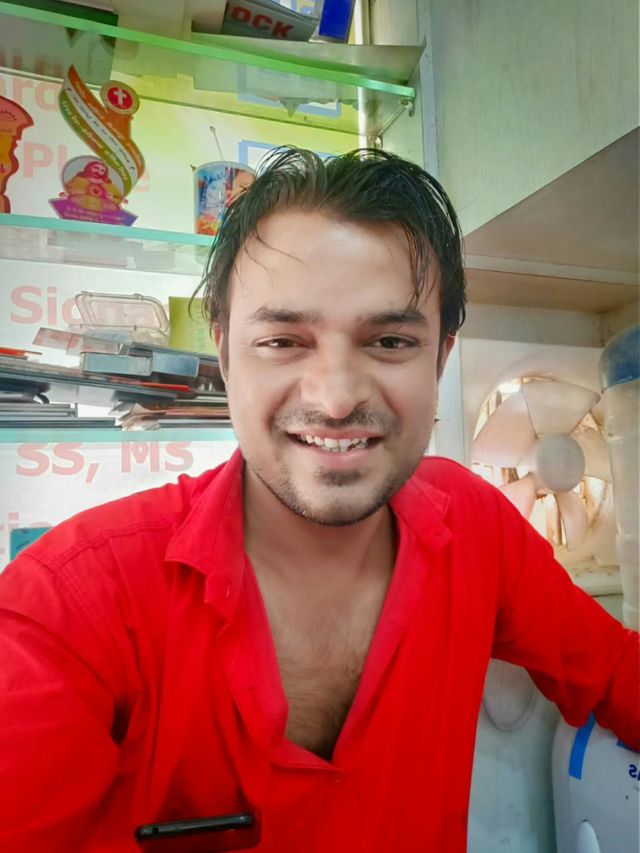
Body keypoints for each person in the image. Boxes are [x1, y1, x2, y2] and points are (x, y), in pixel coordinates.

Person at [0, 147, 637, 853]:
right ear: (224, 354)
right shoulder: (68, 606)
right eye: (282, 340)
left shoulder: (475, 524)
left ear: (440, 358)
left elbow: (616, 673)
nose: (335, 398)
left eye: (389, 340)